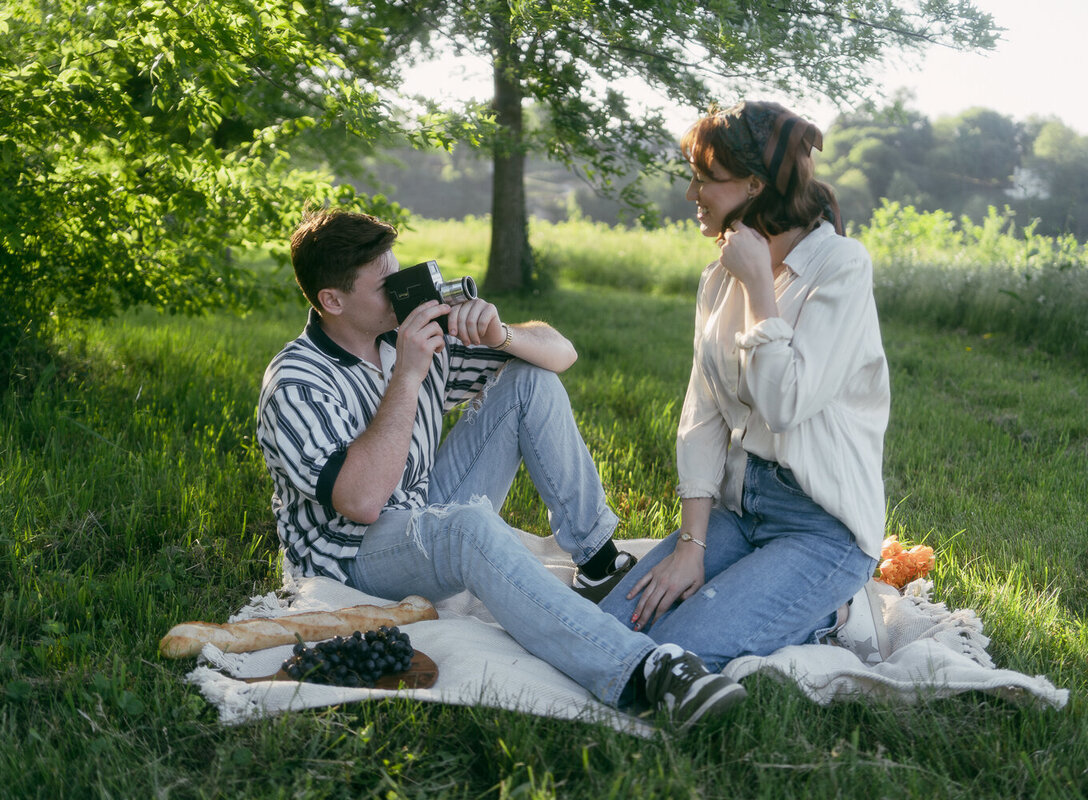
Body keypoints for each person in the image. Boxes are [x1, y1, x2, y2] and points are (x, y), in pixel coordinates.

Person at [254, 208, 746, 727]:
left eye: (399, 271)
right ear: (332, 301)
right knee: (467, 529)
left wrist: (500, 333)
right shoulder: (297, 382)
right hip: (349, 554)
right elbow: (360, 503)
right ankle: (642, 672)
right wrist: (408, 376)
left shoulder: (400, 338)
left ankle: (598, 565)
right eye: (385, 284)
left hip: (418, 508)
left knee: (529, 380)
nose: (402, 289)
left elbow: (562, 355)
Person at [598, 101, 892, 671]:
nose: (692, 194)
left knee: (671, 656)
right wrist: (692, 546)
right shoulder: (717, 277)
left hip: (821, 525)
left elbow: (785, 405)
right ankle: (778, 601)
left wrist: (760, 284)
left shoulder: (841, 266)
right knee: (609, 628)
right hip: (742, 505)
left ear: (754, 185)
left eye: (706, 179)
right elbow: (702, 413)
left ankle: (831, 612)